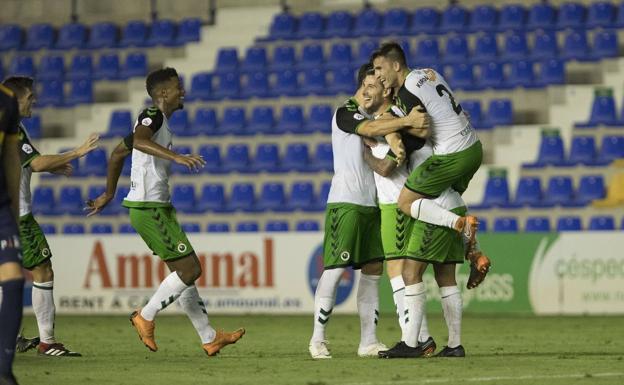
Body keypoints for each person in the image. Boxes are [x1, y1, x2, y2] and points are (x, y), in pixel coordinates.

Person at [85, 67, 244, 356]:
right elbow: (142, 142)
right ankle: (144, 316)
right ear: (162, 93)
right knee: (190, 268)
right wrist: (177, 157)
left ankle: (209, 337)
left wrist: (109, 193)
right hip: (149, 208)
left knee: (182, 275)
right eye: (177, 87)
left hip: (155, 207)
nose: (182, 91)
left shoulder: (161, 123)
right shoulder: (152, 116)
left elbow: (118, 153)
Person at [308, 63, 428, 359]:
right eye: (370, 84)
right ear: (361, 85)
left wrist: (401, 140)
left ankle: (368, 341)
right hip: (345, 202)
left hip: (372, 205)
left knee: (373, 272)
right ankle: (317, 339)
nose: (372, 90)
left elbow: (389, 141)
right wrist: (405, 122)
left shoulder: (377, 118)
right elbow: (373, 129)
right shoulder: (345, 112)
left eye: (377, 86)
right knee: (335, 269)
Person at [370, 42, 490, 289]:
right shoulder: (428, 73)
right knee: (446, 199)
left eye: (380, 69)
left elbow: (422, 130)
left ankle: (462, 226)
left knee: (406, 202)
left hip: (452, 154)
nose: (379, 76)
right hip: (473, 147)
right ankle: (475, 253)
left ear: (396, 65)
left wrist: (394, 130)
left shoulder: (405, 94)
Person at [3, 76, 96, 357]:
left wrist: (44, 167)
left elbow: (24, 163)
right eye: (30, 97)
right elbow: (37, 161)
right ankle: (48, 342)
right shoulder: (13, 129)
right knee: (42, 269)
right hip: (16, 216)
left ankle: (9, 336)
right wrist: (77, 152)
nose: (35, 101)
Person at [359, 69, 436, 357]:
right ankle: (419, 337)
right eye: (364, 86)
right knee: (400, 271)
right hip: (390, 203)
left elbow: (392, 164)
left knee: (399, 271)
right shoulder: (380, 123)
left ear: (387, 91)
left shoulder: (389, 119)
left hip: (397, 202)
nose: (367, 91)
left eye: (373, 86)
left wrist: (365, 154)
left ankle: (415, 339)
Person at [0, 82, 24, 385]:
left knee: (15, 280)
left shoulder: (7, 102)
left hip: (0, 206)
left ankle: (4, 370)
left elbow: (10, 160)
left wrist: (14, 212)